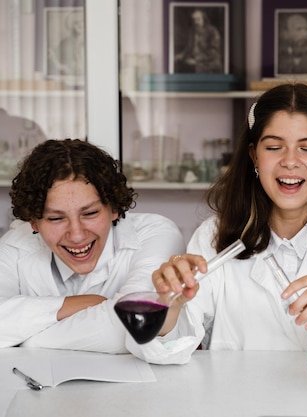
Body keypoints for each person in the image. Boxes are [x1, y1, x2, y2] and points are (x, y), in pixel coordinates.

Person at [129, 83, 307, 365]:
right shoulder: (216, 235)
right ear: (254, 155)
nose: (290, 162)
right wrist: (168, 304)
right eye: (274, 147)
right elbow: (169, 348)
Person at [0, 139, 185, 352]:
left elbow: (133, 326)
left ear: (114, 207)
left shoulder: (155, 234)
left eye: (90, 213)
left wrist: (28, 341)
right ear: (33, 221)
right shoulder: (15, 245)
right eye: (55, 219)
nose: (77, 235)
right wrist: (84, 302)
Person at [174, 8, 223, 73]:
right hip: (195, 63)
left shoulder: (213, 31)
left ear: (204, 19)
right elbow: (188, 49)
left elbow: (213, 52)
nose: (195, 22)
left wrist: (196, 60)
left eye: (198, 19)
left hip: (210, 65)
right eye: (193, 20)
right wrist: (179, 56)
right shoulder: (192, 32)